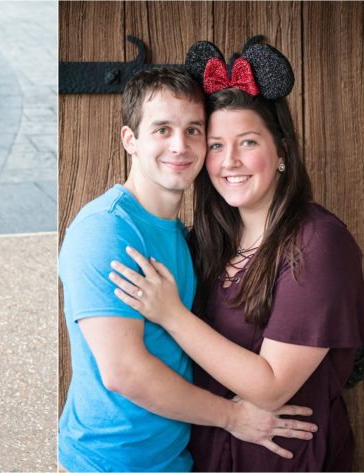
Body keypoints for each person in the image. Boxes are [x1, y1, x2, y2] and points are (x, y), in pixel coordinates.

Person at [110, 40, 364, 471]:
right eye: (214, 145)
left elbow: (270, 388)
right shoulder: (209, 239)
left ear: (282, 149)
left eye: (247, 142)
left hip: (285, 460)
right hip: (208, 455)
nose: (229, 161)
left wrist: (171, 314)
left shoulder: (317, 243)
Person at [57, 64, 317, 472]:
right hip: (111, 461)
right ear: (131, 140)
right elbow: (124, 372)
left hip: (173, 457)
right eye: (162, 129)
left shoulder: (182, 235)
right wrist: (233, 418)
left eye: (194, 130)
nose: (180, 145)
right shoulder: (106, 229)